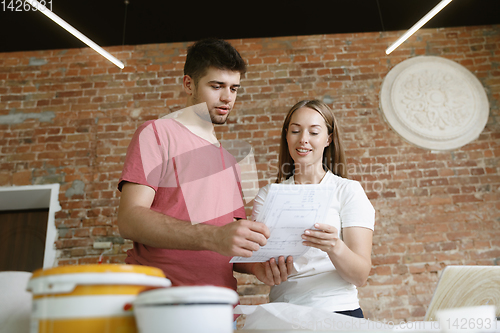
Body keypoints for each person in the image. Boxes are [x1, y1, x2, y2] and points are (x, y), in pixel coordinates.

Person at [116, 38, 278, 292]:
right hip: (162, 299)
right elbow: (129, 219)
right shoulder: (156, 134)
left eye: (234, 88)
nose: (227, 98)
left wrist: (256, 266)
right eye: (217, 86)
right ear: (188, 84)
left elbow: (229, 243)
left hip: (221, 304)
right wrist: (213, 236)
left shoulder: (229, 161)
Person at [250, 99, 375, 318]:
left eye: (314, 132)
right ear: (286, 136)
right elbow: (257, 261)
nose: (303, 140)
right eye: (296, 131)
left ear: (329, 139)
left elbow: (360, 276)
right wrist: (265, 269)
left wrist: (334, 246)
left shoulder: (348, 191)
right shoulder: (268, 195)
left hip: (338, 312)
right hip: (284, 314)